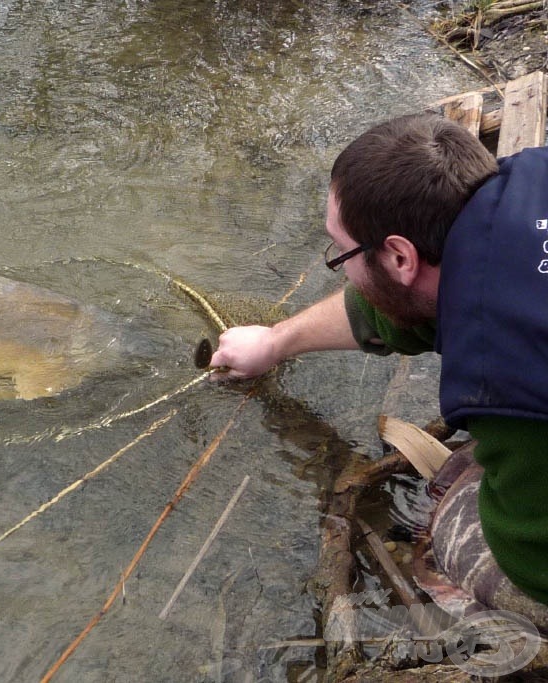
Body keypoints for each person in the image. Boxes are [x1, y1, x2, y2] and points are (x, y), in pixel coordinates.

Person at [208, 113, 548, 621]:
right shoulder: (530, 179)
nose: (341, 267)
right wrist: (275, 341)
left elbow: (535, 561)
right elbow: (407, 307)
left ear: (399, 257)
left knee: (453, 523)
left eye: (342, 253)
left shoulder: (503, 372)